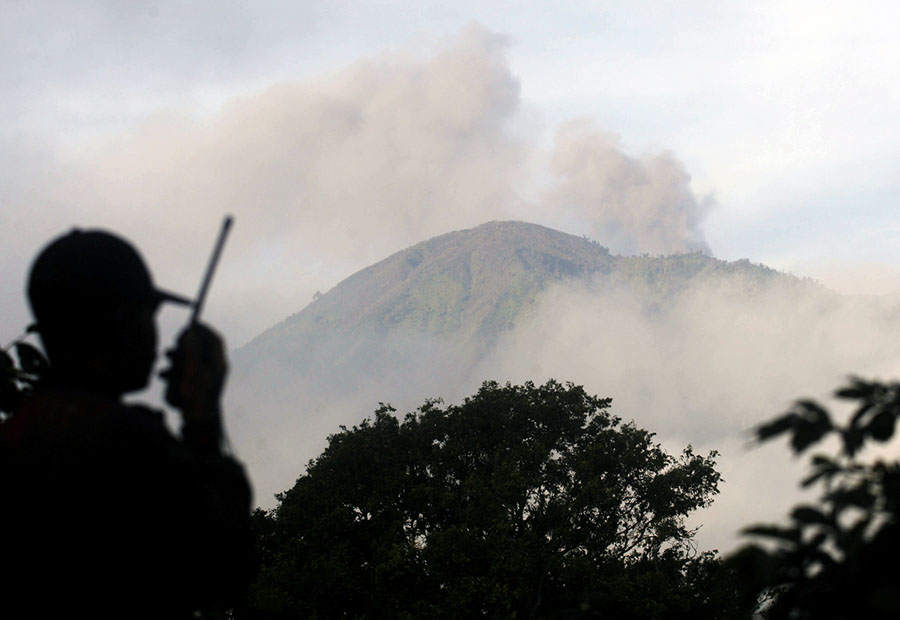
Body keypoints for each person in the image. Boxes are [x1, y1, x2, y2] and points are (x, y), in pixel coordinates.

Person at [1, 229, 253, 619]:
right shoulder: (125, 442)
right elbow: (221, 567)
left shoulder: (18, 433)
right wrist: (201, 412)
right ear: (123, 320)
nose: (155, 335)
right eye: (148, 315)